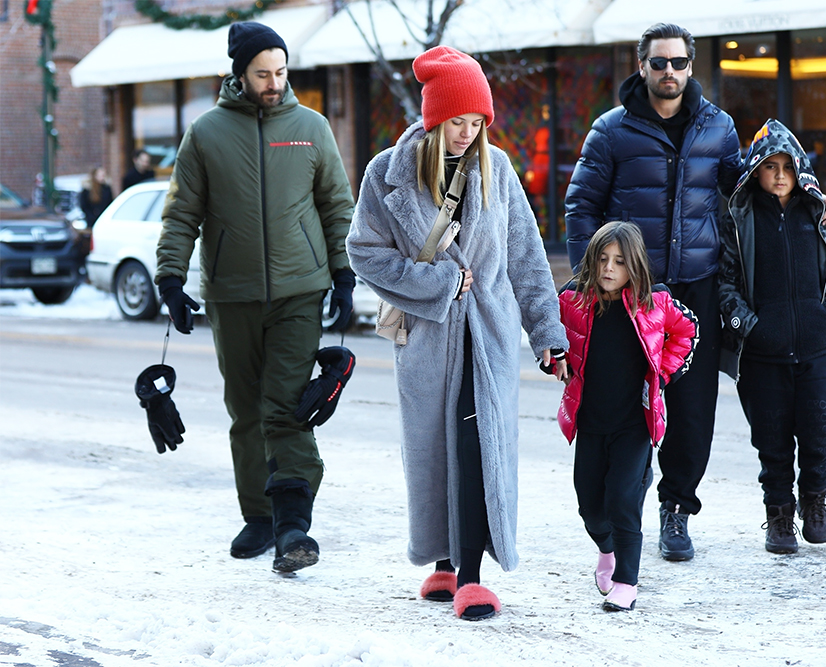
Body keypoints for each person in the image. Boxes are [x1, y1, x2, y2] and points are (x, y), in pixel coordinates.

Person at [564, 22, 826, 562]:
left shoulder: (717, 129)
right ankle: (619, 508)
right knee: (622, 404)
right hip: (630, 295)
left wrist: (809, 189)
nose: (670, 72)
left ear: (692, 67)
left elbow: (750, 186)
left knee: (693, 410)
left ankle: (676, 510)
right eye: (659, 62)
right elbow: (581, 209)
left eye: (679, 63)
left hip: (697, 290)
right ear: (641, 66)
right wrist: (589, 285)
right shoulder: (611, 131)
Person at [346, 46, 569, 621]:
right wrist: (437, 283)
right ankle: (443, 563)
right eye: (458, 122)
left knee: (477, 448)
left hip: (489, 339)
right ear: (433, 118)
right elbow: (364, 253)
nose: (468, 133)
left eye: (477, 122)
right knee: (432, 448)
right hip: (427, 339)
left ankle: (471, 574)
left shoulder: (498, 173)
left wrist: (548, 332)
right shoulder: (385, 176)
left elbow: (526, 258)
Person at [154, 21, 356, 573]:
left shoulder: (311, 128)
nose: (273, 82)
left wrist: (343, 275)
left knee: (286, 405)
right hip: (231, 294)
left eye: (281, 71)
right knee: (245, 410)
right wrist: (170, 280)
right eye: (263, 73)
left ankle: (293, 522)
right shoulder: (206, 133)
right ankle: (259, 517)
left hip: (300, 291)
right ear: (240, 73)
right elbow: (181, 214)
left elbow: (337, 207)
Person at [717, 119, 826, 554]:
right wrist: (750, 328)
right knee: (771, 440)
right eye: (769, 166)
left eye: (786, 166)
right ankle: (778, 514)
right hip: (762, 356)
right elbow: (726, 282)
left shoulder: (818, 213)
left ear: (799, 169)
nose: (778, 175)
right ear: (756, 170)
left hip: (814, 349)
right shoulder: (740, 218)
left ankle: (814, 503)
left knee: (818, 431)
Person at [555, 221, 698, 612]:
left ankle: (626, 582)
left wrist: (664, 373)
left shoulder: (656, 302)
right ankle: (606, 550)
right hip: (590, 421)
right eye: (602, 259)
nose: (608, 269)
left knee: (622, 500)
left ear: (633, 265)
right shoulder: (572, 299)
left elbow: (688, 331)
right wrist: (557, 361)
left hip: (634, 423)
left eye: (619, 261)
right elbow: (551, 340)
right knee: (589, 503)